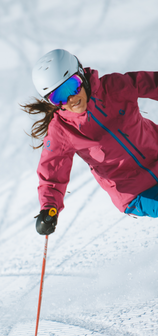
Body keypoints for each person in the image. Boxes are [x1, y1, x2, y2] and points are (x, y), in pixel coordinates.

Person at [21, 49, 158, 235]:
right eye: (58, 97)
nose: (70, 99)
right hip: (135, 192)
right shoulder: (61, 130)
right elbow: (52, 175)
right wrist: (49, 207)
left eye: (72, 86)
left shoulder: (115, 87)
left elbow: (152, 83)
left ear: (82, 76)